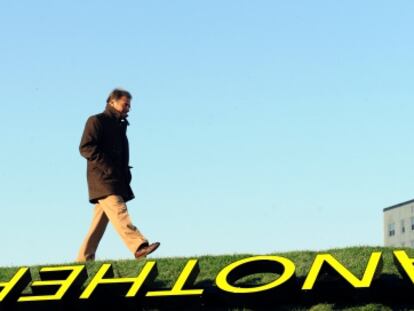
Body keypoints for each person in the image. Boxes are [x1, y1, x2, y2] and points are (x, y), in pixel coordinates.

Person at [76, 88, 160, 262]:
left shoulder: (119, 126)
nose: (128, 108)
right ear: (111, 102)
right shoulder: (96, 121)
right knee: (120, 211)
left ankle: (83, 259)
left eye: (129, 105)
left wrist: (124, 173)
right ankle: (139, 246)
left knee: (98, 225)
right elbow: (86, 147)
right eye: (125, 104)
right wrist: (108, 168)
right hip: (103, 180)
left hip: (115, 179)